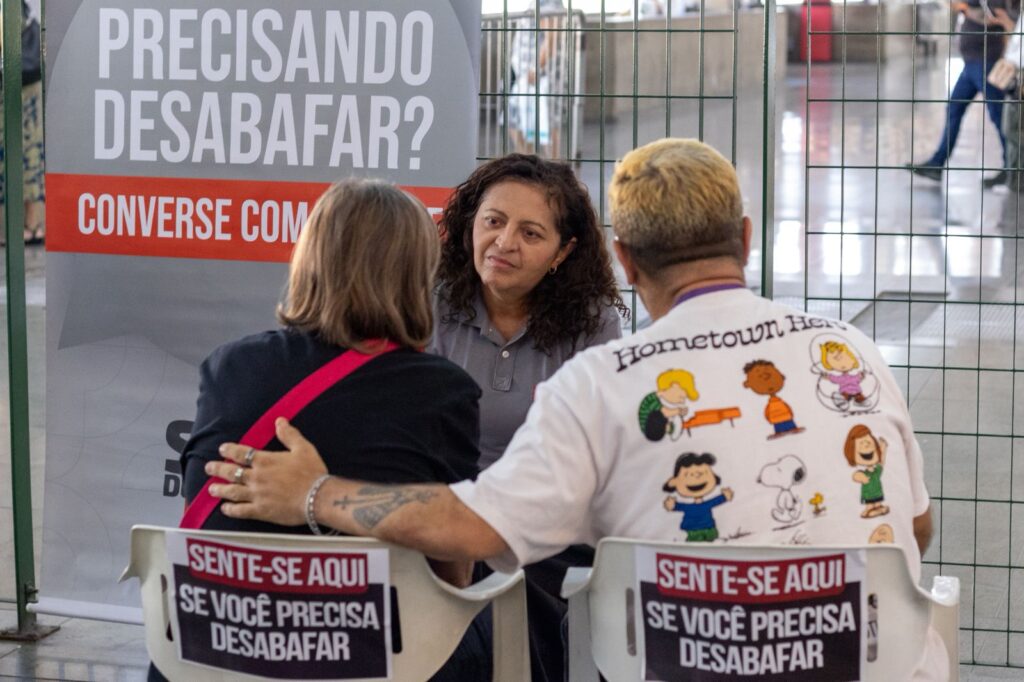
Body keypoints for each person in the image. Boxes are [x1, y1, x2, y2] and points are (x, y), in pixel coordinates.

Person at [208, 139, 946, 679]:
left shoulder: (603, 379)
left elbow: (472, 531)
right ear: (745, 240)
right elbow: (915, 526)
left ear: (622, 259)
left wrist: (313, 492)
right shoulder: (849, 350)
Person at [156, 179, 488, 681]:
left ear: (309, 258)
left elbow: (203, 518)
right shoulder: (442, 392)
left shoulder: (230, 366)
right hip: (374, 662)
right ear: (417, 274)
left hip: (214, 656)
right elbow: (453, 573)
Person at [430, 153, 627, 681]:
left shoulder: (593, 327)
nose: (504, 243)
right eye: (493, 221)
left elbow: (591, 462)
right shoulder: (426, 304)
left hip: (543, 532)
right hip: (441, 517)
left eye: (531, 233)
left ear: (563, 252)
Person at [906, 0, 1016, 188]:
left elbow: (997, 19)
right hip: (972, 64)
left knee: (998, 116)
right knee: (954, 110)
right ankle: (937, 164)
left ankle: (1011, 169)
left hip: (985, 62)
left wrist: (965, 9)